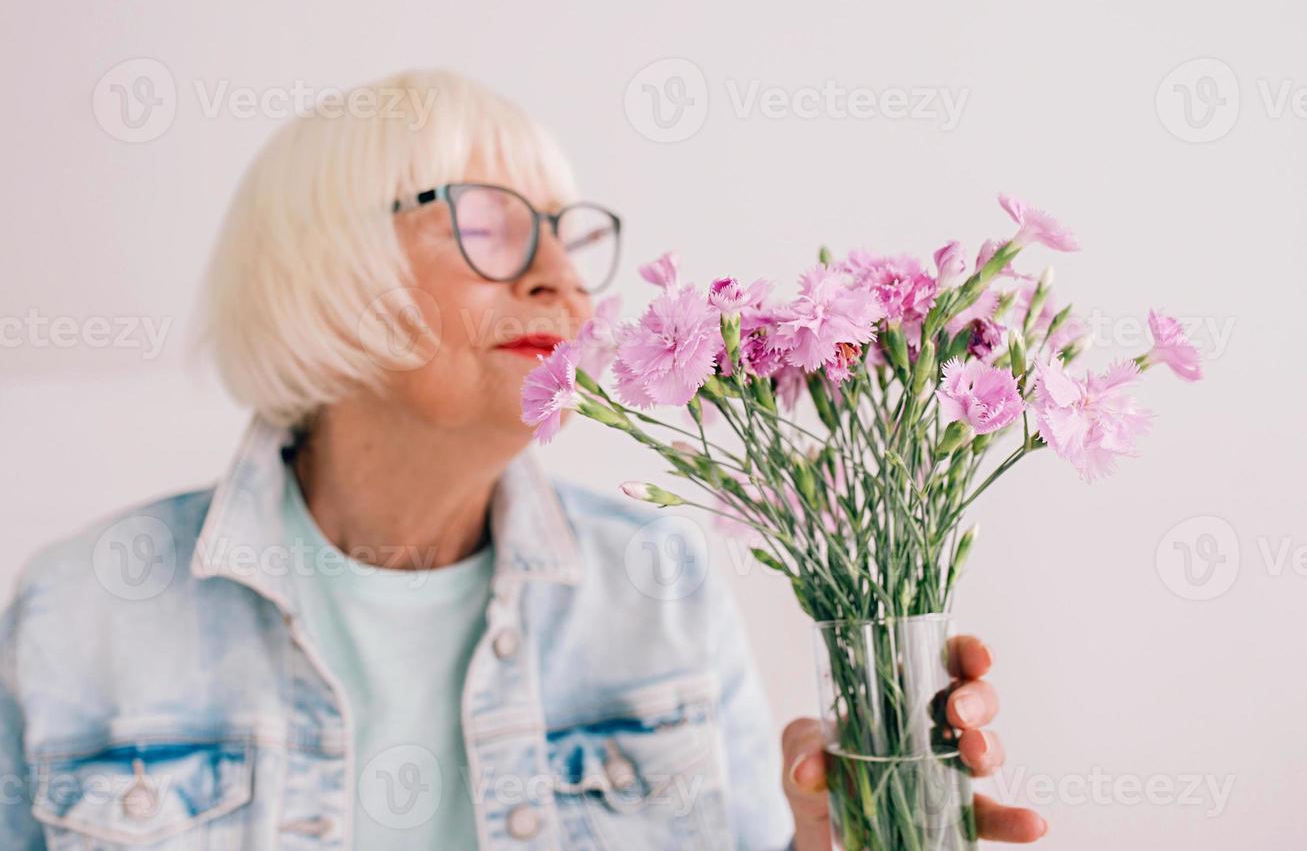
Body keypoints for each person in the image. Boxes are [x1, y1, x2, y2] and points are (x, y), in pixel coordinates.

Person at [0, 69, 1046, 848]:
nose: (560, 278)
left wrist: (840, 828)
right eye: (490, 225)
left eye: (565, 232)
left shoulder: (661, 582)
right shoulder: (77, 607)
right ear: (324, 270)